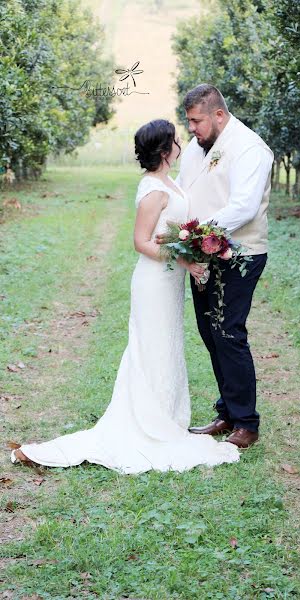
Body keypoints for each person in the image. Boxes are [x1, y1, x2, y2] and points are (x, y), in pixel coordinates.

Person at [10, 119, 240, 473]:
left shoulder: (168, 183)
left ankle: (165, 416)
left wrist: (192, 248)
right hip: (153, 283)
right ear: (165, 150)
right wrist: (185, 260)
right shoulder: (154, 190)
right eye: (177, 141)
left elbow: (169, 232)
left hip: (168, 282)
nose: (181, 145)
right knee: (150, 348)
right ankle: (146, 424)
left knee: (166, 347)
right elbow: (141, 241)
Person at [157, 84, 273, 449]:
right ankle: (227, 412)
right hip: (202, 252)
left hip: (240, 254)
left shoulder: (250, 148)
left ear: (218, 115)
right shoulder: (198, 147)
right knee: (210, 334)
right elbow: (184, 188)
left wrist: (197, 236)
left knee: (229, 333)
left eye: (197, 121)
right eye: (189, 121)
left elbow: (244, 206)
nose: (191, 129)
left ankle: (247, 423)